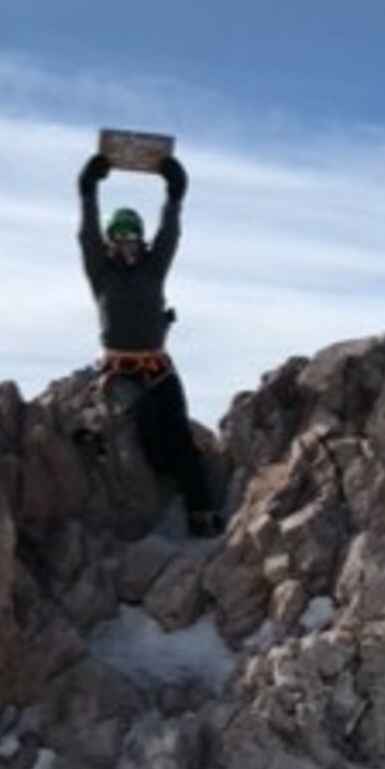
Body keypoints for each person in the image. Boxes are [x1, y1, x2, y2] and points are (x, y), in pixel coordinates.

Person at [77, 149, 223, 536]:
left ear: (141, 240)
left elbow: (170, 235)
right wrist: (88, 192)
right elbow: (86, 235)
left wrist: (174, 197)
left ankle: (201, 514)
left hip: (158, 368)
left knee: (179, 437)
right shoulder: (101, 272)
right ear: (110, 241)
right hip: (119, 372)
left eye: (132, 236)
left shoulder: (154, 267)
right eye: (119, 236)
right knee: (145, 439)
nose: (126, 243)